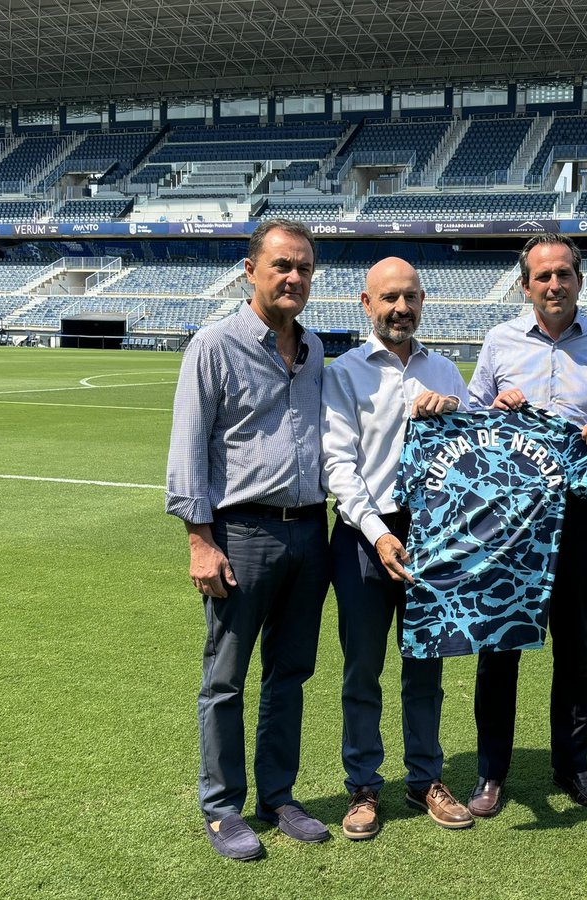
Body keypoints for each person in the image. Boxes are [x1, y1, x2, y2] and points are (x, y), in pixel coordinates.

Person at [466, 233, 587, 817]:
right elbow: (471, 420)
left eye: (563, 274)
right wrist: (493, 412)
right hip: (511, 518)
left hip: (580, 515)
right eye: (542, 277)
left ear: (579, 279)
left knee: (574, 646)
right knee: (499, 642)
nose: (553, 285)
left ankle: (572, 767)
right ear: (525, 286)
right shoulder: (498, 343)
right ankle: (491, 773)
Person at [166, 219, 330, 861]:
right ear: (251, 269)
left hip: (310, 531)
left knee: (291, 672)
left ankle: (279, 794)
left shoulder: (314, 349)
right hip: (241, 533)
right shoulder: (214, 344)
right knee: (227, 678)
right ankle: (222, 808)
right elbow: (188, 448)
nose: (293, 278)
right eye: (282, 266)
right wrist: (199, 540)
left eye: (305, 269)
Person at [321, 257, 475, 840]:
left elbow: (471, 449)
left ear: (423, 300)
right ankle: (362, 786)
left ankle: (425, 779)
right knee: (363, 668)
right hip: (366, 535)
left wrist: (455, 410)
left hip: (434, 536)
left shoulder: (446, 370)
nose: (400, 308)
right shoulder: (346, 373)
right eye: (388, 298)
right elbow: (338, 463)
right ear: (366, 304)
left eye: (409, 297)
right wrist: (377, 531)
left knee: (425, 667)